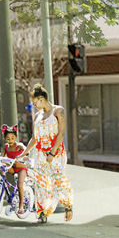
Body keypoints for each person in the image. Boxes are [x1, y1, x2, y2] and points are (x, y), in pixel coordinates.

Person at [25, 86, 74, 223]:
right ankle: (43, 212)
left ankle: (68, 206)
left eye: (35, 102)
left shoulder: (58, 111)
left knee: (58, 180)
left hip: (56, 153)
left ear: (41, 99)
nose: (34, 105)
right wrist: (25, 152)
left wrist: (52, 153)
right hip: (40, 154)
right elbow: (34, 138)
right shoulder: (37, 115)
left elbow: (61, 133)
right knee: (41, 184)